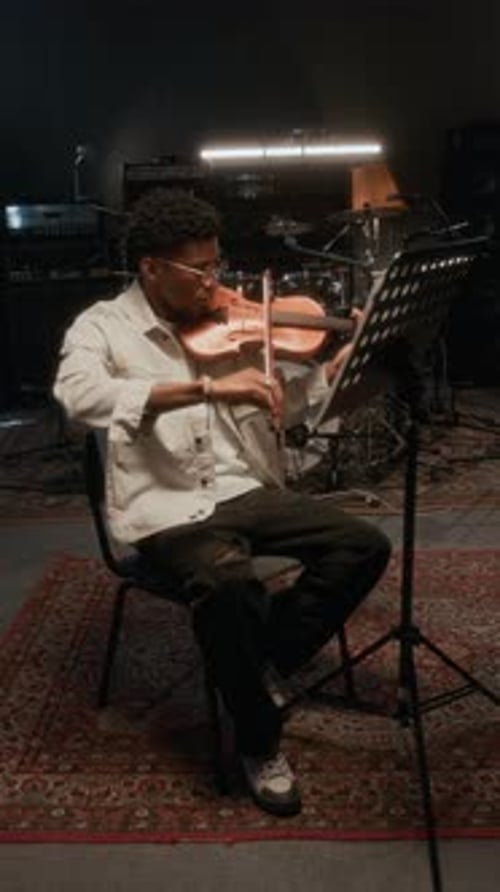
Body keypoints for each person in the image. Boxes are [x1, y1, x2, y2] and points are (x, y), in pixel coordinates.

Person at [53, 187, 391, 818]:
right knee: (227, 582)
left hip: (244, 490)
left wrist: (332, 372)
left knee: (363, 546)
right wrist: (206, 389)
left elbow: (283, 405)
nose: (216, 284)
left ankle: (255, 664)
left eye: (217, 265)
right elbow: (80, 396)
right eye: (199, 270)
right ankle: (259, 740)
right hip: (166, 505)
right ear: (151, 268)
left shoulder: (225, 320)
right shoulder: (101, 326)